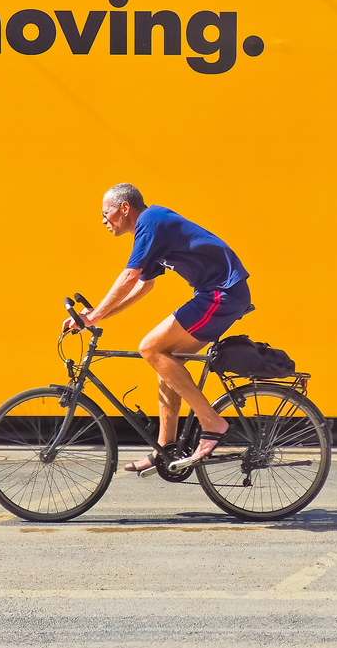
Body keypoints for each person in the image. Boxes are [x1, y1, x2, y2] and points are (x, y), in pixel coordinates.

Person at [62, 183, 252, 471]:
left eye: (105, 212)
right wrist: (99, 316)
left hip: (220, 293)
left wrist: (93, 316)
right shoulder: (151, 226)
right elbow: (143, 285)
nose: (103, 220)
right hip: (217, 294)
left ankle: (212, 422)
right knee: (165, 359)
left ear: (124, 208)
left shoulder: (150, 222)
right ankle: (166, 450)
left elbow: (129, 276)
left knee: (149, 348)